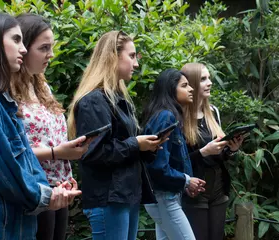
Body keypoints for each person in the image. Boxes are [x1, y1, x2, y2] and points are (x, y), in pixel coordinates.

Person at [0, 12, 80, 240]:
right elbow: (3, 170)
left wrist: (49, 191)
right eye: (16, 40)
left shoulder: (2, 100)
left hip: (15, 228)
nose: (23, 49)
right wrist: (44, 196)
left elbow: (27, 163)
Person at [67, 30, 164, 240]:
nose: (136, 64)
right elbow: (93, 152)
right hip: (108, 198)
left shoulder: (121, 101)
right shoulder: (94, 101)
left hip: (126, 196)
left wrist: (149, 146)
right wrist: (136, 144)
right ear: (112, 55)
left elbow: (127, 147)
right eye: (131, 56)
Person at [10, 13, 88, 240]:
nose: (51, 54)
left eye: (51, 47)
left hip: (59, 188)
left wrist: (66, 163)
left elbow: (52, 138)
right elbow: (10, 150)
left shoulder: (42, 85)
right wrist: (57, 153)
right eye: (43, 48)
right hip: (33, 190)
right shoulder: (6, 91)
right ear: (23, 47)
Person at [141, 68, 206, 240]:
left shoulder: (168, 116)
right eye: (185, 86)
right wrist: (186, 180)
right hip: (164, 197)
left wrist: (185, 184)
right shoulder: (165, 117)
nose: (191, 89)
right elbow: (158, 167)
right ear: (171, 90)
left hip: (167, 195)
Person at [180, 63, 243, 240]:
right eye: (203, 79)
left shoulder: (213, 111)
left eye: (209, 78)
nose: (209, 83)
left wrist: (231, 150)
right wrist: (203, 152)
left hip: (218, 187)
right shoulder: (179, 116)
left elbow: (220, 155)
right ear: (191, 83)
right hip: (195, 188)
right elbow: (177, 160)